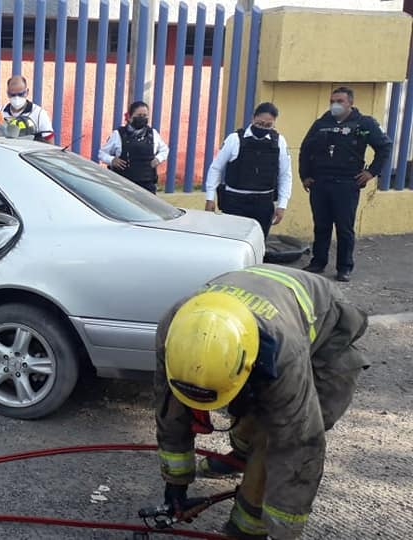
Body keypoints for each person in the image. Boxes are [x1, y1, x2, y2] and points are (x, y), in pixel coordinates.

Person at [153, 264, 368, 540]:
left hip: (327, 329)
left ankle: (248, 527)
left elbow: (297, 445)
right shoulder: (175, 327)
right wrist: (175, 483)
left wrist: (283, 529)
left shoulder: (284, 352)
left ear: (249, 363)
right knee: (247, 405)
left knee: (274, 435)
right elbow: (170, 409)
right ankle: (241, 456)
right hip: (265, 304)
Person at [300, 87, 392, 282]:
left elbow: (384, 147)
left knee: (344, 227)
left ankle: (344, 267)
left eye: (340, 101)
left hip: (346, 183)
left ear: (350, 102)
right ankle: (318, 262)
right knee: (321, 225)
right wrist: (305, 175)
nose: (335, 104)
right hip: (320, 182)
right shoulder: (321, 123)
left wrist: (371, 172)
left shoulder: (364, 124)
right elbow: (305, 149)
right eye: (332, 100)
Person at [205, 102, 292, 238]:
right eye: (260, 123)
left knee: (258, 245)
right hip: (235, 202)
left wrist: (282, 205)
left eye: (268, 125)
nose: (263, 128)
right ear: (253, 119)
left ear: (274, 123)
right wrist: (210, 197)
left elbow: (285, 175)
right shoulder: (234, 139)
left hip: (263, 203)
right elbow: (215, 168)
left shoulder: (279, 142)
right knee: (231, 242)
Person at [98, 101, 170, 193]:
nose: (142, 118)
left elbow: (164, 150)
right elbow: (102, 153)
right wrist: (112, 160)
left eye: (145, 115)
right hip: (122, 184)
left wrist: (158, 159)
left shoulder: (153, 134)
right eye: (139, 115)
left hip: (147, 184)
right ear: (130, 117)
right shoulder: (118, 134)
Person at [1, 75, 54, 143]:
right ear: (8, 93)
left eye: (20, 94)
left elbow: (50, 142)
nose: (17, 98)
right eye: (13, 95)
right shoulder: (0, 112)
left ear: (27, 92)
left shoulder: (39, 114)